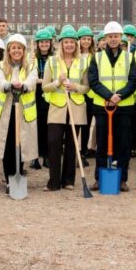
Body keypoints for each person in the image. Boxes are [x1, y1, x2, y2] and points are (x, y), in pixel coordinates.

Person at [87, 22, 136, 191]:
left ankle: (122, 178)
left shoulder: (129, 57)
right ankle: (99, 178)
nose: (113, 39)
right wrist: (109, 96)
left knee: (123, 143)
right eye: (110, 36)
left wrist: (119, 96)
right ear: (105, 38)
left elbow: (133, 81)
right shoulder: (97, 57)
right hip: (103, 106)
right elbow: (93, 81)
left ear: (120, 37)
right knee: (102, 143)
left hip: (124, 107)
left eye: (116, 36)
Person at [41, 26, 89, 191]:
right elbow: (45, 87)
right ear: (61, 44)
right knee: (53, 143)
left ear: (76, 44)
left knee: (71, 145)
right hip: (57, 108)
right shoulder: (52, 61)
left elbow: (87, 88)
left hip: (75, 108)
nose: (69, 45)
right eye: (66, 42)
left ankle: (68, 180)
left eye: (71, 42)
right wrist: (57, 83)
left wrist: (75, 87)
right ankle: (53, 181)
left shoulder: (83, 62)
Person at [0, 34, 37, 189]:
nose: (16, 51)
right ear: (8, 50)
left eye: (19, 48)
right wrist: (9, 85)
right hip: (6, 113)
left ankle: (18, 172)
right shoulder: (0, 66)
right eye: (13, 48)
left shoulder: (30, 66)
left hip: (23, 113)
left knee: (21, 144)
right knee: (7, 146)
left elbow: (32, 81)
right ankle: (9, 180)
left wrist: (23, 85)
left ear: (24, 50)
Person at [32, 28, 55, 170]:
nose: (44, 44)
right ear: (37, 44)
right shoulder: (32, 58)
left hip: (50, 95)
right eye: (41, 42)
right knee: (35, 127)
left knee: (48, 127)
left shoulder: (54, 58)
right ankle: (35, 158)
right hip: (34, 95)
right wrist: (43, 81)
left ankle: (47, 156)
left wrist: (42, 81)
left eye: (46, 42)